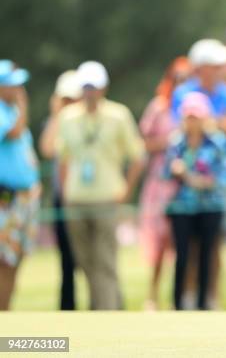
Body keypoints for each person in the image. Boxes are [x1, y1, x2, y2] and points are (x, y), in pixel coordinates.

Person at [56, 61, 145, 309]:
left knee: (105, 261)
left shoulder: (119, 115)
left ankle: (107, 314)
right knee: (85, 262)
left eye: (93, 87)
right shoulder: (67, 117)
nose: (89, 92)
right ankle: (108, 308)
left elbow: (137, 157)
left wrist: (126, 191)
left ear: (103, 88)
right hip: (76, 199)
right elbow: (62, 159)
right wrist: (65, 193)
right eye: (85, 87)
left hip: (108, 198)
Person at [165, 92, 226, 310]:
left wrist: (193, 179)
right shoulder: (177, 143)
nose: (192, 121)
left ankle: (204, 303)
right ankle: (178, 303)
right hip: (181, 207)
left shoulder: (218, 142)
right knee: (182, 256)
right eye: (188, 117)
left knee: (206, 255)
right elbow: (165, 174)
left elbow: (224, 177)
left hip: (210, 207)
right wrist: (175, 171)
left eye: (196, 116)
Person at [138, 56, 191, 310]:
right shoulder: (159, 107)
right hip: (161, 183)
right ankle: (153, 295)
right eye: (178, 79)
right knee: (158, 242)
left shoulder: (192, 107)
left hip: (186, 184)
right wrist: (169, 141)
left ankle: (180, 297)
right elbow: (145, 142)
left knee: (182, 244)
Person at [39, 70, 83, 310]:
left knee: (92, 260)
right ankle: (68, 309)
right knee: (66, 260)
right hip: (62, 198)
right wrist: (57, 115)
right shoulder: (56, 123)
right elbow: (47, 148)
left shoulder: (86, 121)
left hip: (85, 197)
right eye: (65, 100)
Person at [0, 60, 39, 310]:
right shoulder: (6, 113)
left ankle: (7, 313)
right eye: (13, 85)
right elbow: (13, 133)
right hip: (5, 198)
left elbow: (25, 151)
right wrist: (24, 107)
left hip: (26, 197)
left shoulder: (13, 113)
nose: (19, 90)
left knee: (17, 257)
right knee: (4, 259)